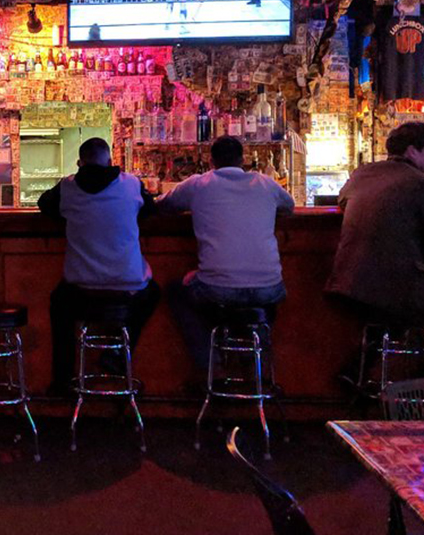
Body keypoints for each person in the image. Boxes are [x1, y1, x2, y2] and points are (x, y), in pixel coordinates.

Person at [158, 136, 295, 381]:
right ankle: (256, 366)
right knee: (261, 306)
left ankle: (211, 367)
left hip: (216, 290)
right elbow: (290, 206)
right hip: (269, 288)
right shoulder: (265, 183)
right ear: (243, 160)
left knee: (176, 291)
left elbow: (163, 206)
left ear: (211, 160)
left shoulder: (198, 184)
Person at [325, 122, 424, 345]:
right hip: (396, 292)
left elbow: (342, 200)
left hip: (348, 286)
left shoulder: (362, 175)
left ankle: (362, 370)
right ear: (412, 151)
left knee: (383, 319)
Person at [38, 138, 162, 394]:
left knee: (59, 304)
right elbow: (150, 211)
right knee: (154, 293)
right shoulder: (132, 184)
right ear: (110, 161)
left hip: (81, 288)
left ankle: (61, 382)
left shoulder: (67, 187)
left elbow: (44, 205)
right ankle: (117, 353)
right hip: (129, 287)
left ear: (79, 163)